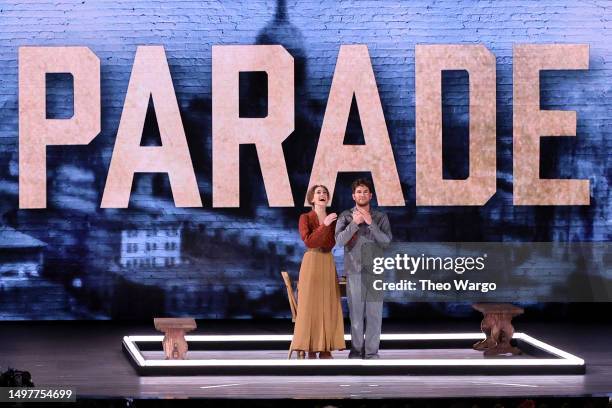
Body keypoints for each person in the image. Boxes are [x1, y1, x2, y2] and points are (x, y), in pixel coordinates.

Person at [335, 178, 392, 359]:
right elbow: (339, 241)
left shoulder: (380, 217)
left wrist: (370, 223)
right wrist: (354, 224)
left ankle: (372, 352)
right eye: (359, 192)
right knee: (356, 316)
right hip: (354, 271)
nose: (362, 194)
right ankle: (356, 350)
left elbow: (386, 242)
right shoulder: (345, 216)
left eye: (365, 191)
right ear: (353, 196)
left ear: (371, 195)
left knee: (374, 316)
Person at [289, 185, 346, 359]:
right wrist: (324, 225)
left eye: (325, 193)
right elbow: (310, 242)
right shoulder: (305, 217)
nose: (322, 195)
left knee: (328, 303)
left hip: (327, 260)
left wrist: (329, 224)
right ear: (312, 199)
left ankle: (325, 347)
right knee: (310, 305)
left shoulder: (333, 219)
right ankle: (311, 346)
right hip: (312, 260)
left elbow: (329, 244)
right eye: (318, 192)